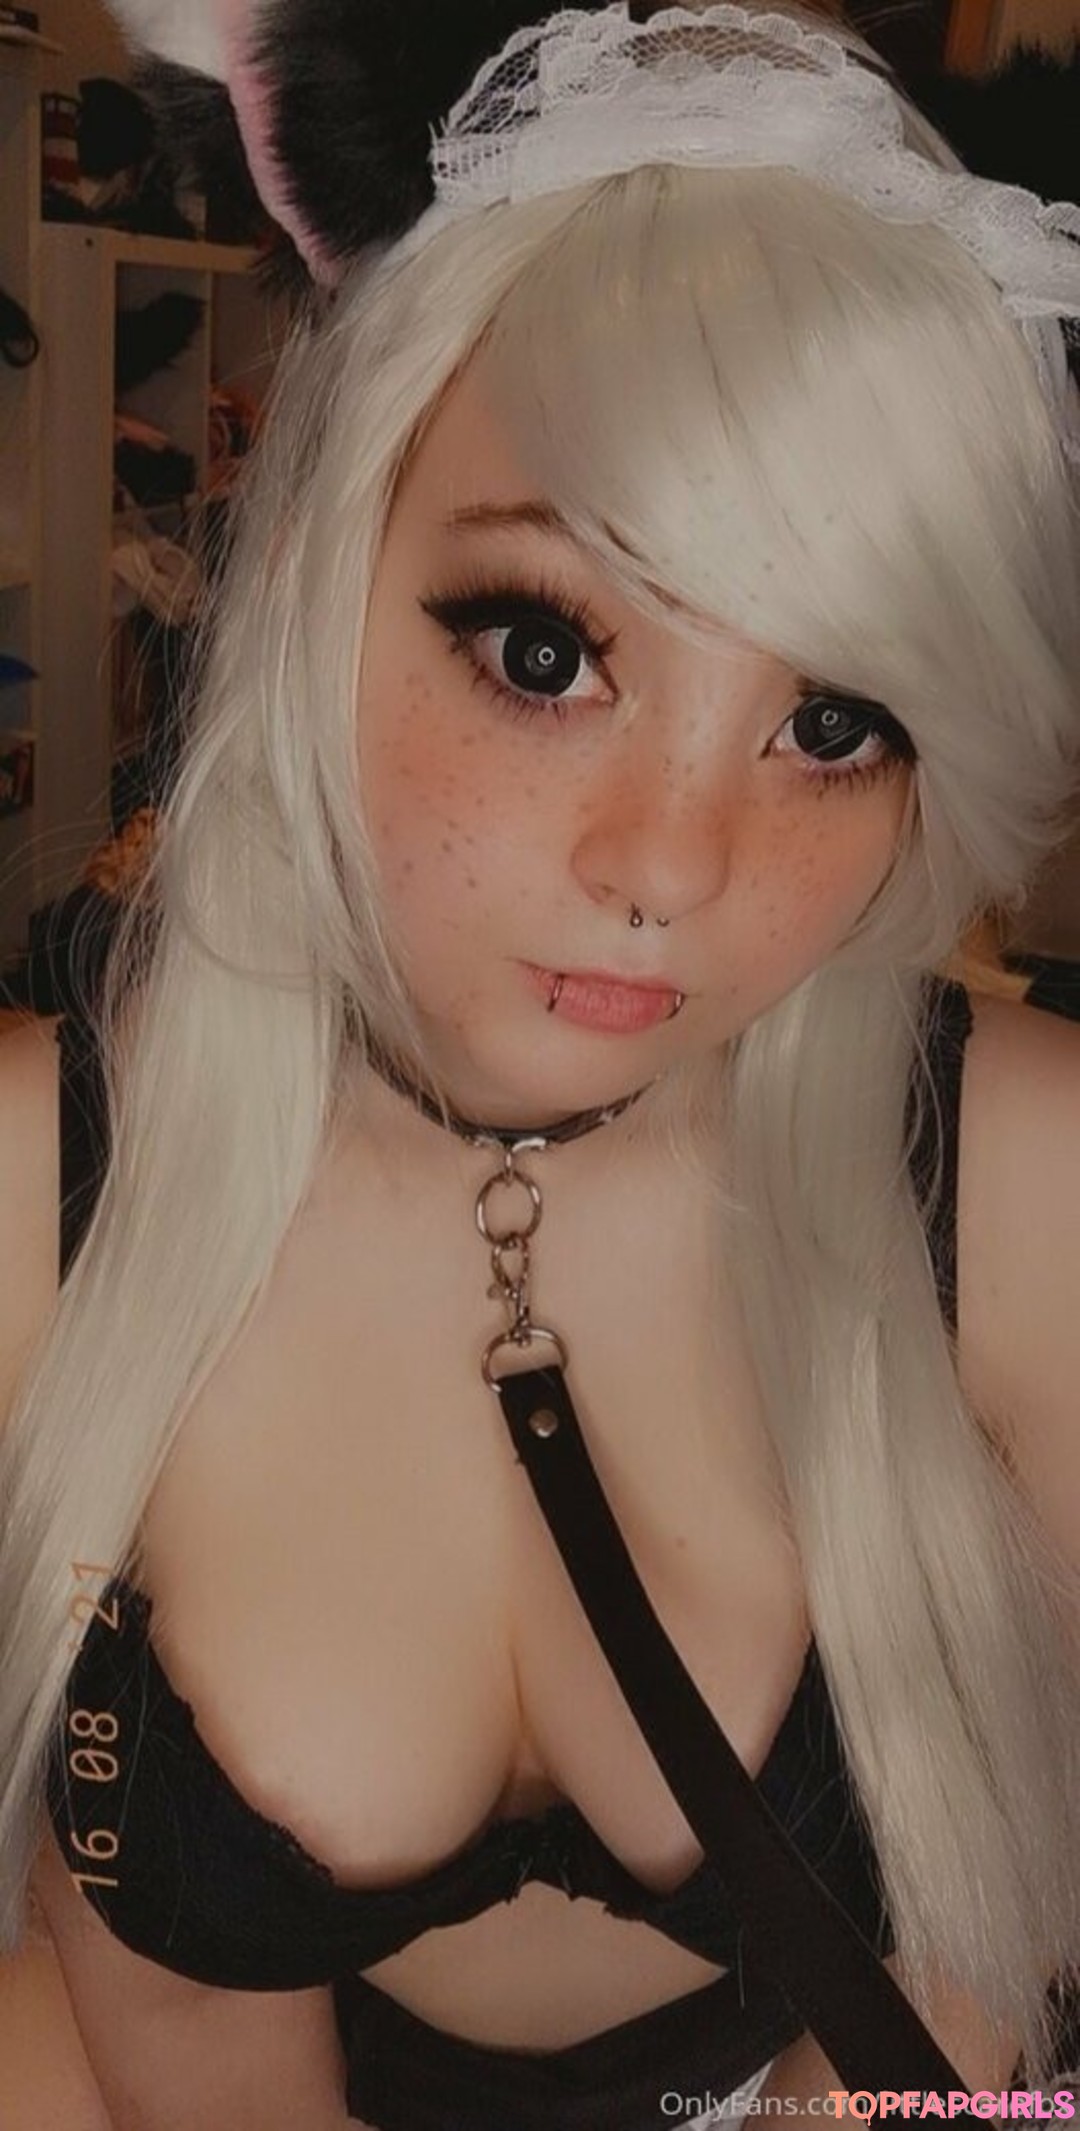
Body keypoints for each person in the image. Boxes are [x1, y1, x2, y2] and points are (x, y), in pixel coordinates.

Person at [1, 1, 1079, 2124]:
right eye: (545, 647)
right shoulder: (50, 1191)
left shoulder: (1025, 1188)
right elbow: (185, 2028)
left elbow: (982, 1972)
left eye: (832, 722)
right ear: (324, 554)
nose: (672, 867)